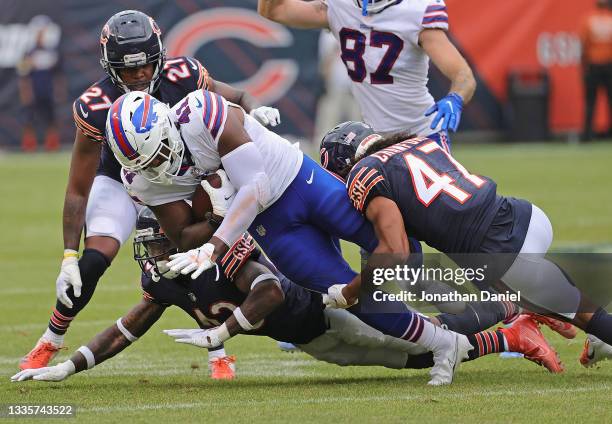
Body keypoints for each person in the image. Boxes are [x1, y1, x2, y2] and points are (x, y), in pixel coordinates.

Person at [107, 88, 478, 386]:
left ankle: (485, 300)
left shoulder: (201, 112)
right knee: (350, 294)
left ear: (166, 125)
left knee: (401, 250)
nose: (156, 167)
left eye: (156, 155)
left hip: (300, 182)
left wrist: (215, 242)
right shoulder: (141, 178)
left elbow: (257, 186)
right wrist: (214, 217)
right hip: (274, 228)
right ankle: (444, 343)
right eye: (143, 164)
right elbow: (184, 234)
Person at [19, 10, 281, 381]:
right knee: (92, 262)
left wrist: (256, 109)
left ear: (160, 56)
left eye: (145, 67)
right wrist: (67, 254)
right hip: (120, 178)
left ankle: (217, 348)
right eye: (129, 71)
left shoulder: (182, 75)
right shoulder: (96, 105)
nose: (140, 75)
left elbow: (235, 96)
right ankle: (51, 337)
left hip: (176, 175)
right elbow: (79, 188)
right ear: (110, 68)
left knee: (187, 254)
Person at [11, 208, 561, 383]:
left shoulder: (217, 248)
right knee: (412, 359)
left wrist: (221, 335)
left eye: (154, 239)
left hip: (323, 311)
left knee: (422, 343)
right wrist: (71, 367)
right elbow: (127, 328)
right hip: (313, 339)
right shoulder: (163, 278)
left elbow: (270, 291)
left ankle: (520, 307)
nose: (150, 252)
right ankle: (511, 330)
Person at [318, 121, 612, 351]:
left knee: (572, 310)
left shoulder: (363, 173)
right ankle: (580, 326)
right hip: (525, 215)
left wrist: (349, 292)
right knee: (561, 302)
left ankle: (561, 318)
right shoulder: (415, 143)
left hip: (499, 250)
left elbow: (395, 250)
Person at [258, 0, 476, 150]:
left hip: (422, 135)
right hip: (373, 142)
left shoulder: (415, 10)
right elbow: (273, 11)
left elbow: (463, 76)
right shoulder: (341, 7)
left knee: (432, 215)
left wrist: (455, 98)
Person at [580, 0, 612, 141]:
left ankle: (587, 134)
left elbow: (583, 44)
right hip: (609, 65)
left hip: (593, 65)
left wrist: (583, 66)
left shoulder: (589, 20)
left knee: (590, 102)